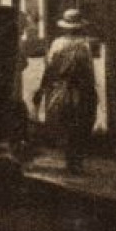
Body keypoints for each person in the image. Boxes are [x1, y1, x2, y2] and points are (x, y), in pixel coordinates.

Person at [35, 10, 98, 174]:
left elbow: (49, 69)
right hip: (82, 89)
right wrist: (93, 90)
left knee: (65, 123)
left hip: (61, 88)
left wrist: (42, 90)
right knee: (82, 124)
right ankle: (77, 162)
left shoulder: (57, 44)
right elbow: (89, 71)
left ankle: (70, 161)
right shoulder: (85, 44)